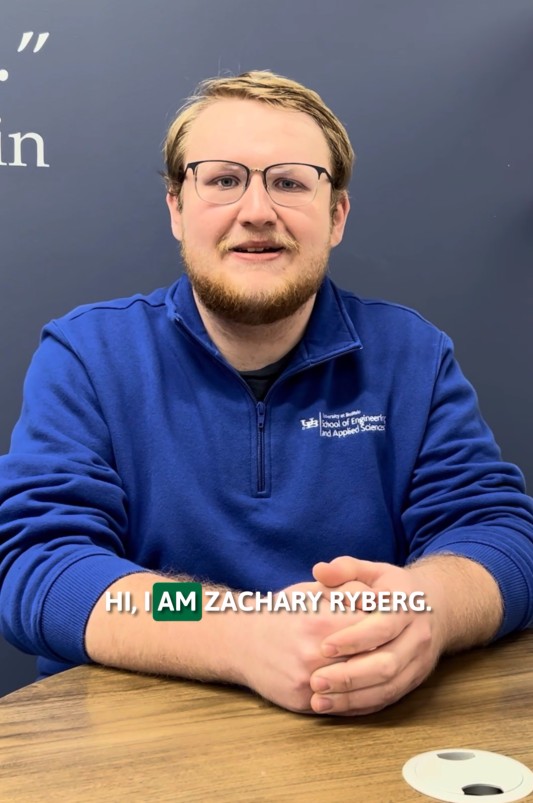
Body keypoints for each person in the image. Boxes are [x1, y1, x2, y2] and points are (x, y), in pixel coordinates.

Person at [1, 71, 532, 717]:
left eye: (288, 181)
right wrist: (236, 626)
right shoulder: (88, 355)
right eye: (223, 179)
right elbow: (42, 566)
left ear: (334, 215)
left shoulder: (411, 355)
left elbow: (496, 533)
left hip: (363, 727)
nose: (256, 210)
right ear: (176, 207)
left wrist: (421, 608)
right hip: (137, 740)